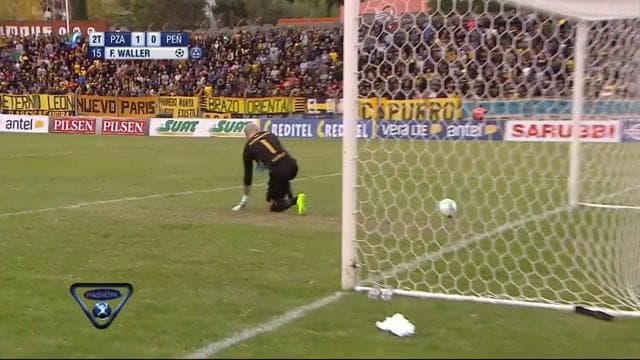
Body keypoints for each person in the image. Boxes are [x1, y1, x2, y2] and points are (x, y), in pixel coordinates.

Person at [231, 123, 306, 215]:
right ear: (257, 130)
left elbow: (248, 175)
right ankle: (289, 197)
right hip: (292, 165)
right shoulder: (269, 134)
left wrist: (244, 199)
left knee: (274, 207)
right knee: (278, 183)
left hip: (278, 172)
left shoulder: (248, 147)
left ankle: (296, 200)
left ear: (247, 134)